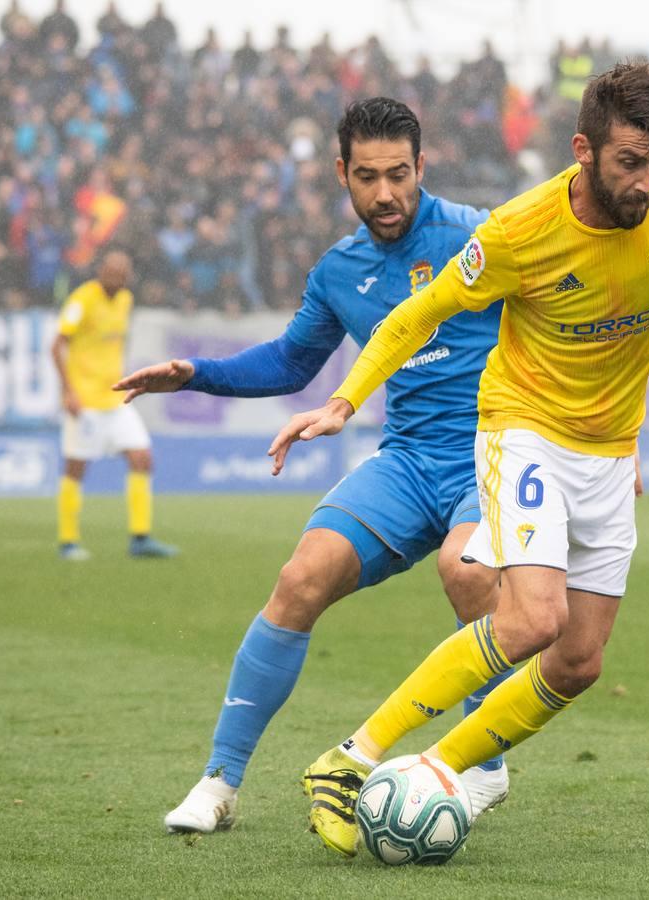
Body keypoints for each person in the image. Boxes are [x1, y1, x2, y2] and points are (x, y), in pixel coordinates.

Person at [276, 62, 649, 857]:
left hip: (608, 452)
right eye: (628, 163)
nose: (645, 181)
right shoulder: (518, 231)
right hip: (522, 427)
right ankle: (351, 759)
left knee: (577, 662)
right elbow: (413, 316)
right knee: (533, 618)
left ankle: (436, 771)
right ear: (583, 150)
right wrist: (343, 401)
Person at [112, 98, 513, 834]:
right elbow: (293, 360)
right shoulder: (340, 270)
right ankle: (218, 783)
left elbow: (562, 312)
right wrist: (193, 372)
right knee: (299, 578)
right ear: (341, 174)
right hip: (409, 461)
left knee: (467, 571)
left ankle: (482, 766)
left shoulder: (480, 235)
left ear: (422, 167)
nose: (385, 193)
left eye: (399, 174)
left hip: (494, 452)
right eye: (367, 177)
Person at [49, 250, 177, 561]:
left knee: (142, 457)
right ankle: (68, 541)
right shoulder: (82, 300)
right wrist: (69, 393)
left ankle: (140, 538)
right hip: (85, 401)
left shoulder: (125, 301)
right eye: (113, 272)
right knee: (76, 468)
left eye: (124, 273)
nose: (118, 278)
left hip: (115, 397)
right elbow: (57, 345)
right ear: (101, 271)